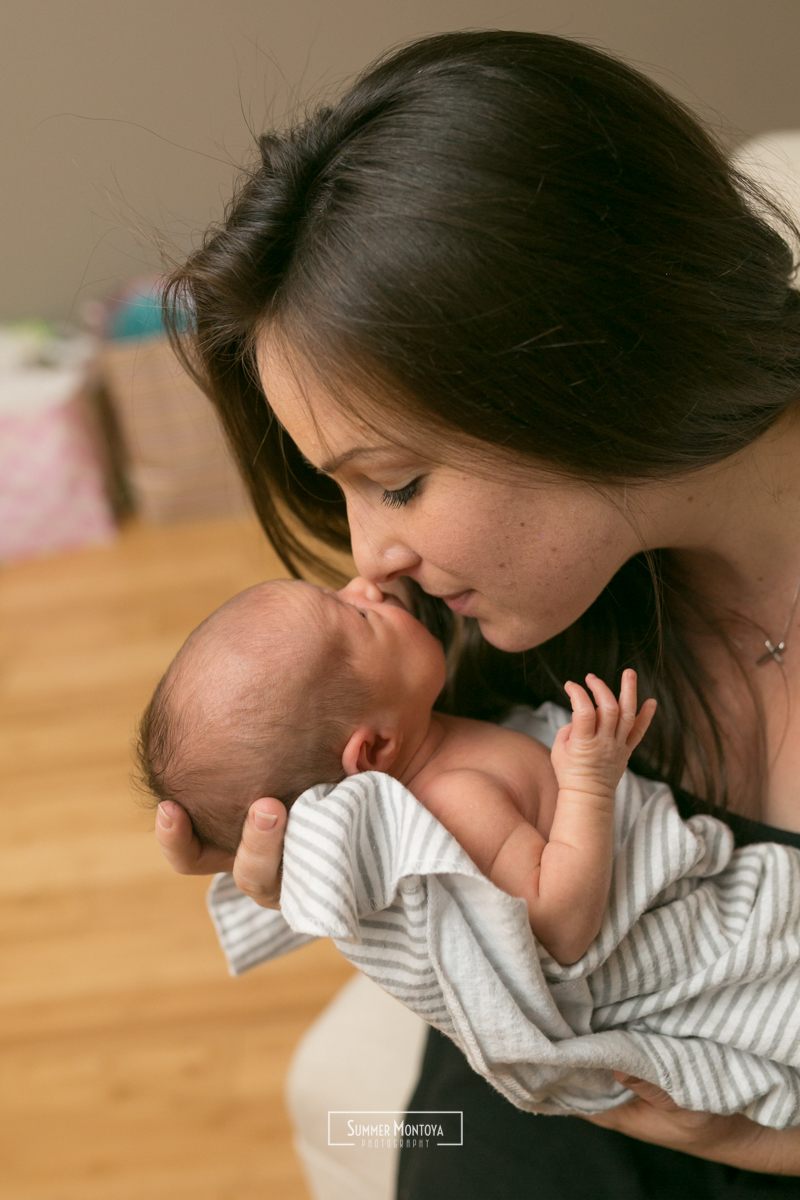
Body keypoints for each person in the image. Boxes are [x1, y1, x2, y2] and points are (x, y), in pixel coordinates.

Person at [153, 28, 800, 1195]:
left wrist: (752, 1138)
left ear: (590, 368)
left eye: (395, 480)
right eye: (340, 485)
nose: (370, 556)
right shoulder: (518, 629)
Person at [137, 574, 655, 964]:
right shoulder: (458, 801)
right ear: (375, 749)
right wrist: (589, 786)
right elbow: (562, 931)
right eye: (359, 615)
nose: (363, 584)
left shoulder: (425, 735)